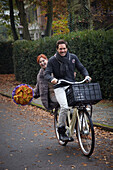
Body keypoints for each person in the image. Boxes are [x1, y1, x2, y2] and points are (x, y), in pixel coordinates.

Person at [44, 39, 91, 142]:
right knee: (64, 107)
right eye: (60, 49)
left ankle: (80, 126)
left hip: (72, 85)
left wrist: (86, 75)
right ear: (57, 49)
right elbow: (46, 73)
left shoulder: (73, 57)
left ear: (67, 48)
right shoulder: (52, 60)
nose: (62, 51)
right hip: (59, 86)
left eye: (64, 48)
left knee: (83, 105)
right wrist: (52, 79)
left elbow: (81, 68)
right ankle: (61, 130)